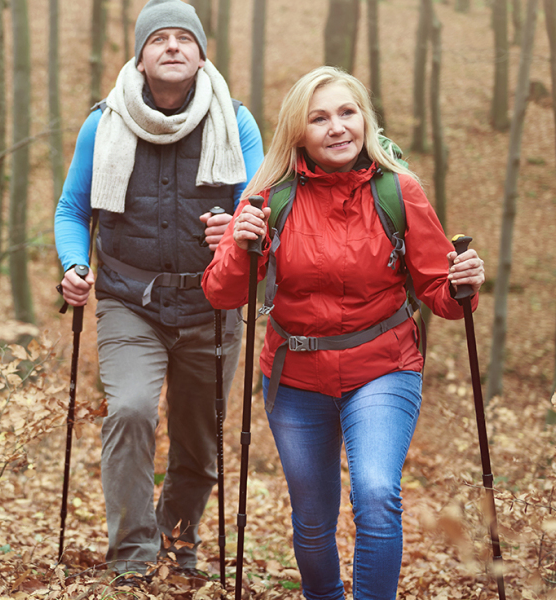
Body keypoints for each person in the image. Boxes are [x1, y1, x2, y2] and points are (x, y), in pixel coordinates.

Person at [201, 66, 486, 600]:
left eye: (347, 113)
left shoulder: (399, 191)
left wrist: (463, 285)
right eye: (320, 117)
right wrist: (241, 246)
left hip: (383, 365)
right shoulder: (267, 198)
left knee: (376, 491)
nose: (337, 127)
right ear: (298, 131)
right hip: (296, 375)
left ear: (366, 121)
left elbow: (438, 294)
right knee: (312, 518)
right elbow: (220, 293)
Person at [53, 0, 264, 579]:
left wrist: (240, 229)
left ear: (201, 55)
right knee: (131, 409)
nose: (172, 46)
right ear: (141, 57)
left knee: (201, 441)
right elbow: (73, 209)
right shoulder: (104, 123)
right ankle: (132, 553)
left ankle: (177, 538)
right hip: (129, 299)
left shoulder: (236, 121)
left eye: (184, 39)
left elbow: (265, 207)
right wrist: (74, 265)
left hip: (214, 303)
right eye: (159, 39)